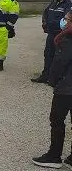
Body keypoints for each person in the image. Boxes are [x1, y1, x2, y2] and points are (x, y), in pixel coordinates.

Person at [32, 11, 72, 169]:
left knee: (57, 120)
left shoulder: (67, 39)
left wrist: (53, 80)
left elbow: (60, 63)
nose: (64, 22)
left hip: (66, 87)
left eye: (67, 19)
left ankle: (54, 156)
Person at [32, 0, 72, 83]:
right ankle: (46, 75)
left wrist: (57, 26)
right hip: (51, 33)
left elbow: (66, 20)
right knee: (48, 54)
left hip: (62, 35)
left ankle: (57, 79)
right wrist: (45, 23)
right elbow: (46, 13)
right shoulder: (54, 2)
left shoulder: (69, 4)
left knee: (59, 57)